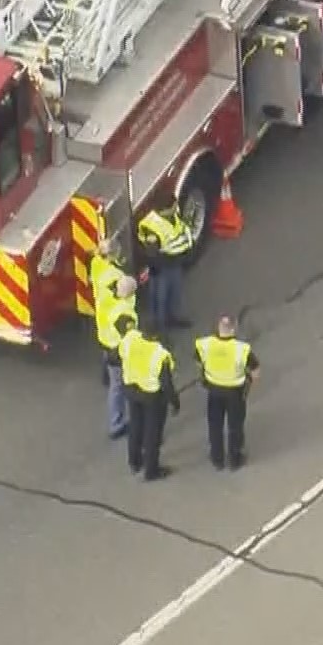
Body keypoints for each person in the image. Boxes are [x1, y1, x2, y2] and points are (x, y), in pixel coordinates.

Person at [194, 315, 260, 471]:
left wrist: (206, 374)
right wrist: (250, 385)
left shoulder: (205, 344)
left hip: (214, 389)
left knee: (215, 424)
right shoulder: (242, 349)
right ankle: (234, 459)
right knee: (235, 425)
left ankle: (217, 458)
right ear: (233, 329)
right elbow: (255, 371)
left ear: (218, 328)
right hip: (235, 392)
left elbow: (198, 362)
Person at [119, 320, 181, 481]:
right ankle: (151, 470)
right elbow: (166, 383)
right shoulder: (159, 353)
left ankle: (134, 462)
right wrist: (175, 402)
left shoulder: (130, 338)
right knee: (152, 433)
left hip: (131, 390)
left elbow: (116, 355)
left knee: (135, 426)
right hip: (151, 396)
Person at [135, 202, 194, 332]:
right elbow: (151, 253)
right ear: (167, 208)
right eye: (173, 206)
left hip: (174, 263)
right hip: (162, 268)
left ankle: (171, 318)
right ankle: (158, 329)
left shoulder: (172, 216)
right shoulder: (152, 227)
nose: (176, 207)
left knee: (174, 294)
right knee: (159, 298)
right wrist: (155, 270)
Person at [95, 272, 136, 440]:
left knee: (113, 381)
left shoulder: (106, 296)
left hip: (104, 340)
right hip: (117, 350)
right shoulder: (124, 311)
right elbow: (129, 337)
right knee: (118, 387)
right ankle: (116, 424)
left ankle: (105, 376)